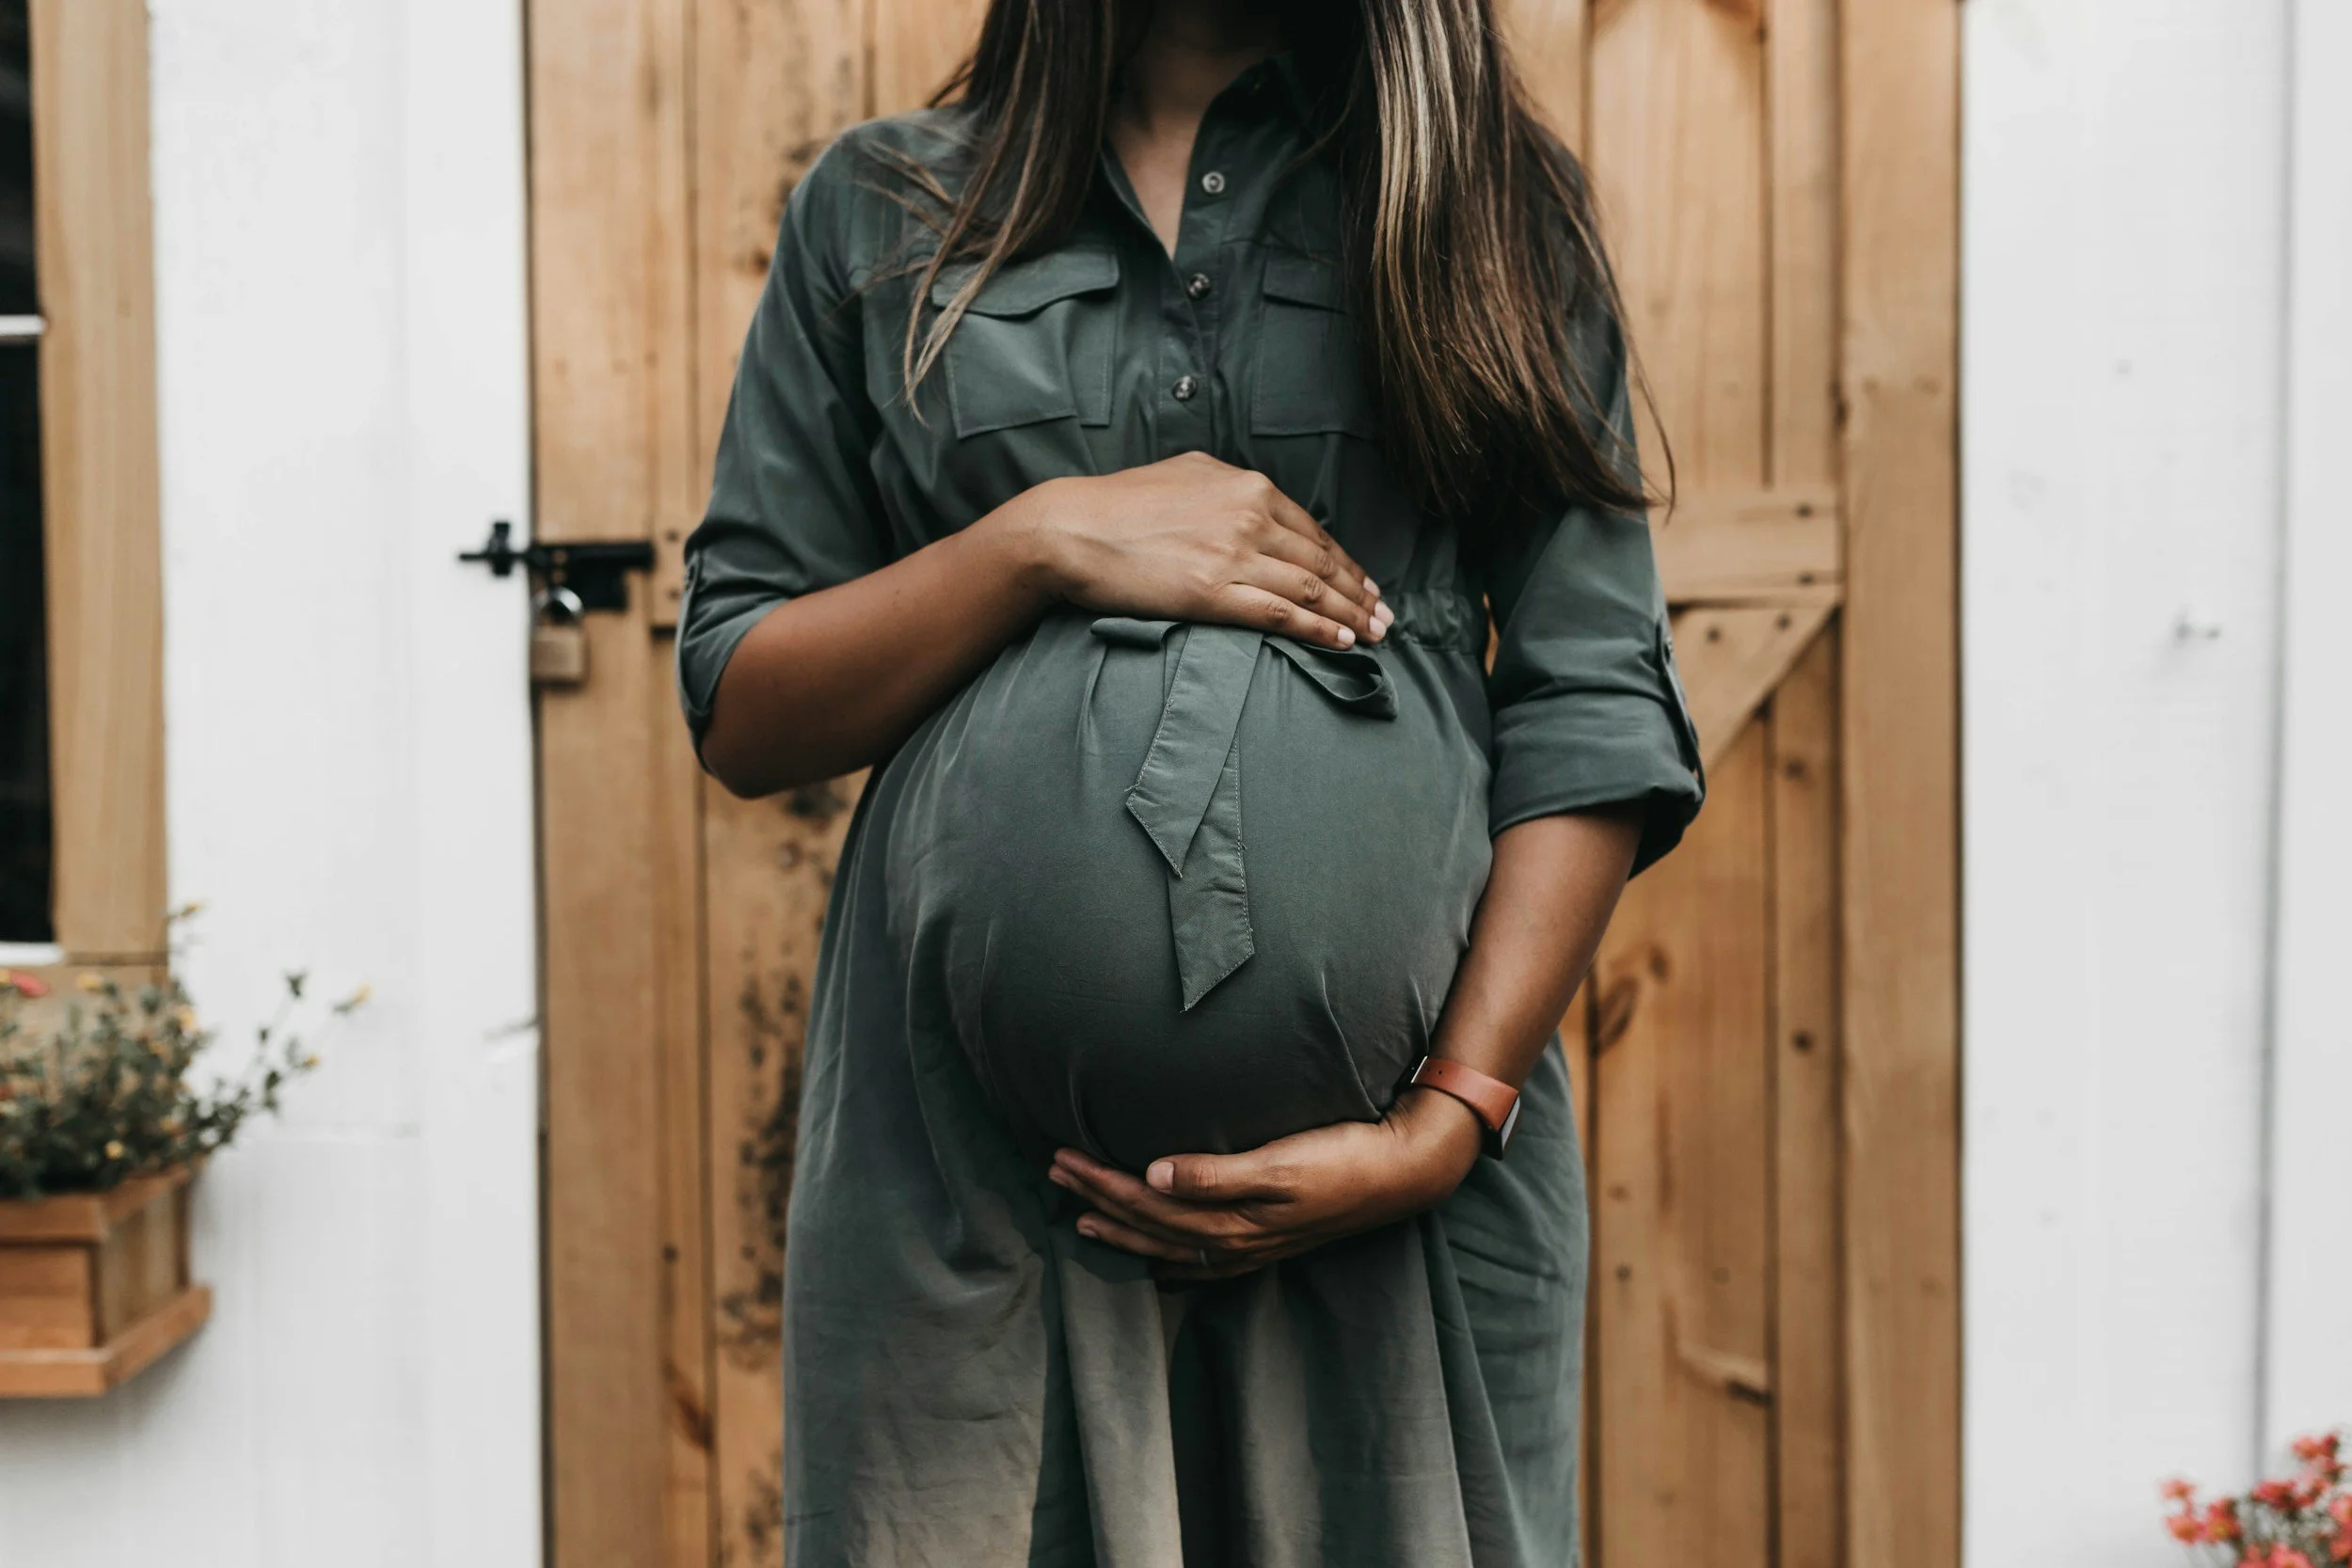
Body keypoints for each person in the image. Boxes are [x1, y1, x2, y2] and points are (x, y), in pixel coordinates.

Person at [675, 0, 1704, 1560]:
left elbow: (1593, 693)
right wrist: (1036, 542)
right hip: (972, 1202)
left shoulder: (1484, 205)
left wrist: (1446, 1118)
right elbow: (745, 701)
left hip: (1403, 1200)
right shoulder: (880, 210)